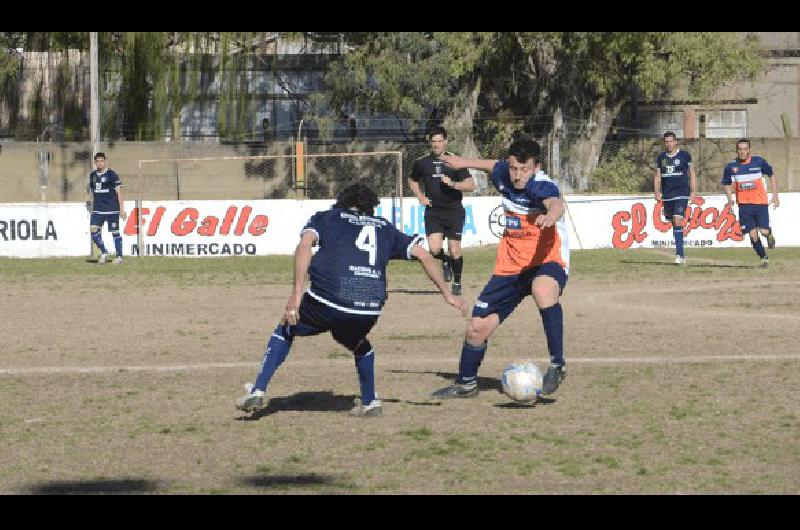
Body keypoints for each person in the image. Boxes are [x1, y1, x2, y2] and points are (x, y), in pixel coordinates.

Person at [235, 183, 468, 417]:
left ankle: (257, 389)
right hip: (369, 307)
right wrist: (447, 293)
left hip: (328, 298)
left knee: (286, 328)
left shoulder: (327, 217)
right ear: (370, 206)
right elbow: (425, 255)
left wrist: (296, 294)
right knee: (358, 343)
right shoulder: (384, 227)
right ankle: (370, 403)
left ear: (343, 201)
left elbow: (305, 244)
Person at [430, 133, 569, 400]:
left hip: (546, 259)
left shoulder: (540, 185)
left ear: (536, 168)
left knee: (542, 290)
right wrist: (461, 163)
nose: (518, 175)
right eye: (515, 168)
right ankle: (466, 384)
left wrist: (550, 216)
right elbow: (492, 165)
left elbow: (556, 203)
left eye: (525, 169)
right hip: (510, 266)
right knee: (476, 328)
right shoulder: (505, 172)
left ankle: (557, 365)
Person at [408, 126, 475, 296]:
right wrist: (420, 197)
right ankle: (444, 261)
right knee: (435, 249)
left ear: (445, 141)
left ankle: (457, 282)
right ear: (430, 143)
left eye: (439, 141)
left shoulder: (455, 161)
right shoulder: (422, 162)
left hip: (453, 211)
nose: (436, 144)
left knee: (455, 250)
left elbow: (470, 185)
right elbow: (412, 180)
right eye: (433, 141)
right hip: (433, 211)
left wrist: (453, 184)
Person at [722, 138, 779, 268]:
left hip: (760, 203)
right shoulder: (731, 167)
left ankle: (769, 235)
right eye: (740, 149)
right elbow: (726, 184)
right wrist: (730, 200)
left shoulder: (759, 162)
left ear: (749, 150)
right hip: (744, 206)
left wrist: (775, 195)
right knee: (753, 235)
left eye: (745, 149)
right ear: (737, 150)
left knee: (763, 231)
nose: (742, 152)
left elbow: (772, 175)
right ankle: (764, 258)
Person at [654, 131, 697, 265]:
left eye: (671, 141)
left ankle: (680, 255)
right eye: (666, 142)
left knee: (677, 220)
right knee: (673, 222)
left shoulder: (684, 156)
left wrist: (693, 191)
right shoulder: (661, 158)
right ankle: (679, 251)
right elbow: (657, 176)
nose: (669, 144)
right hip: (667, 195)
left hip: (682, 194)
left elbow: (692, 174)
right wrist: (656, 192)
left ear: (675, 142)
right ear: (664, 143)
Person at [87, 152, 127, 264]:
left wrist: (122, 209)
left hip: (112, 209)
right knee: (94, 231)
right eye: (97, 161)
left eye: (101, 160)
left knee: (115, 232)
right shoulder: (93, 175)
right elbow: (91, 192)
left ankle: (120, 257)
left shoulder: (111, 174)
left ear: (104, 161)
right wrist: (89, 204)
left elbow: (119, 192)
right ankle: (104, 252)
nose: (99, 163)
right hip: (98, 209)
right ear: (95, 162)